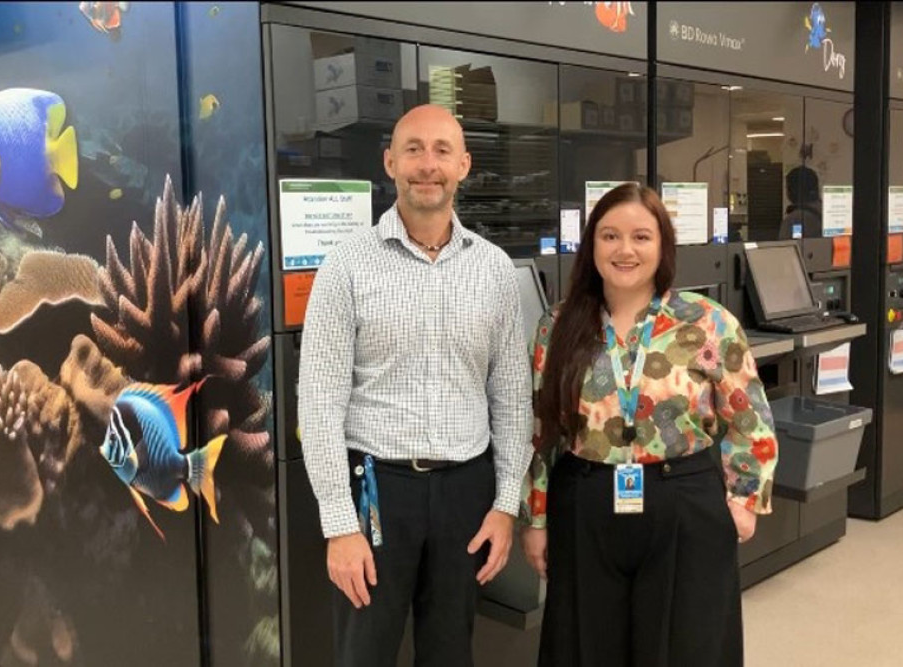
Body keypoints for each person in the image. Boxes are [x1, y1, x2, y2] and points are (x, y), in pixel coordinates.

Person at [299, 103, 533, 666]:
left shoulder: (495, 269)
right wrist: (339, 524)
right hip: (378, 492)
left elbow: (511, 398)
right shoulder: (346, 267)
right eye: (413, 149)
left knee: (451, 650)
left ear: (464, 165)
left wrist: (505, 505)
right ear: (389, 162)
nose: (427, 165)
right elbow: (319, 403)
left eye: (441, 151)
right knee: (366, 653)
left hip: (465, 494)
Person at [521, 183, 778, 666]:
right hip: (586, 502)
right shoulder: (557, 327)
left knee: (687, 647)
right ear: (591, 245)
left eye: (641, 236)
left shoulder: (707, 322)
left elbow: (750, 418)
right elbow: (543, 431)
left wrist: (743, 500)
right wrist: (536, 518)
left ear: (662, 246)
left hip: (684, 502)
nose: (625, 250)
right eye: (609, 236)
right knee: (586, 647)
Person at [778, 165, 823, 239]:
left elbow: (786, 247)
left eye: (787, 187)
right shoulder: (828, 212)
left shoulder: (795, 219)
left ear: (793, 190)